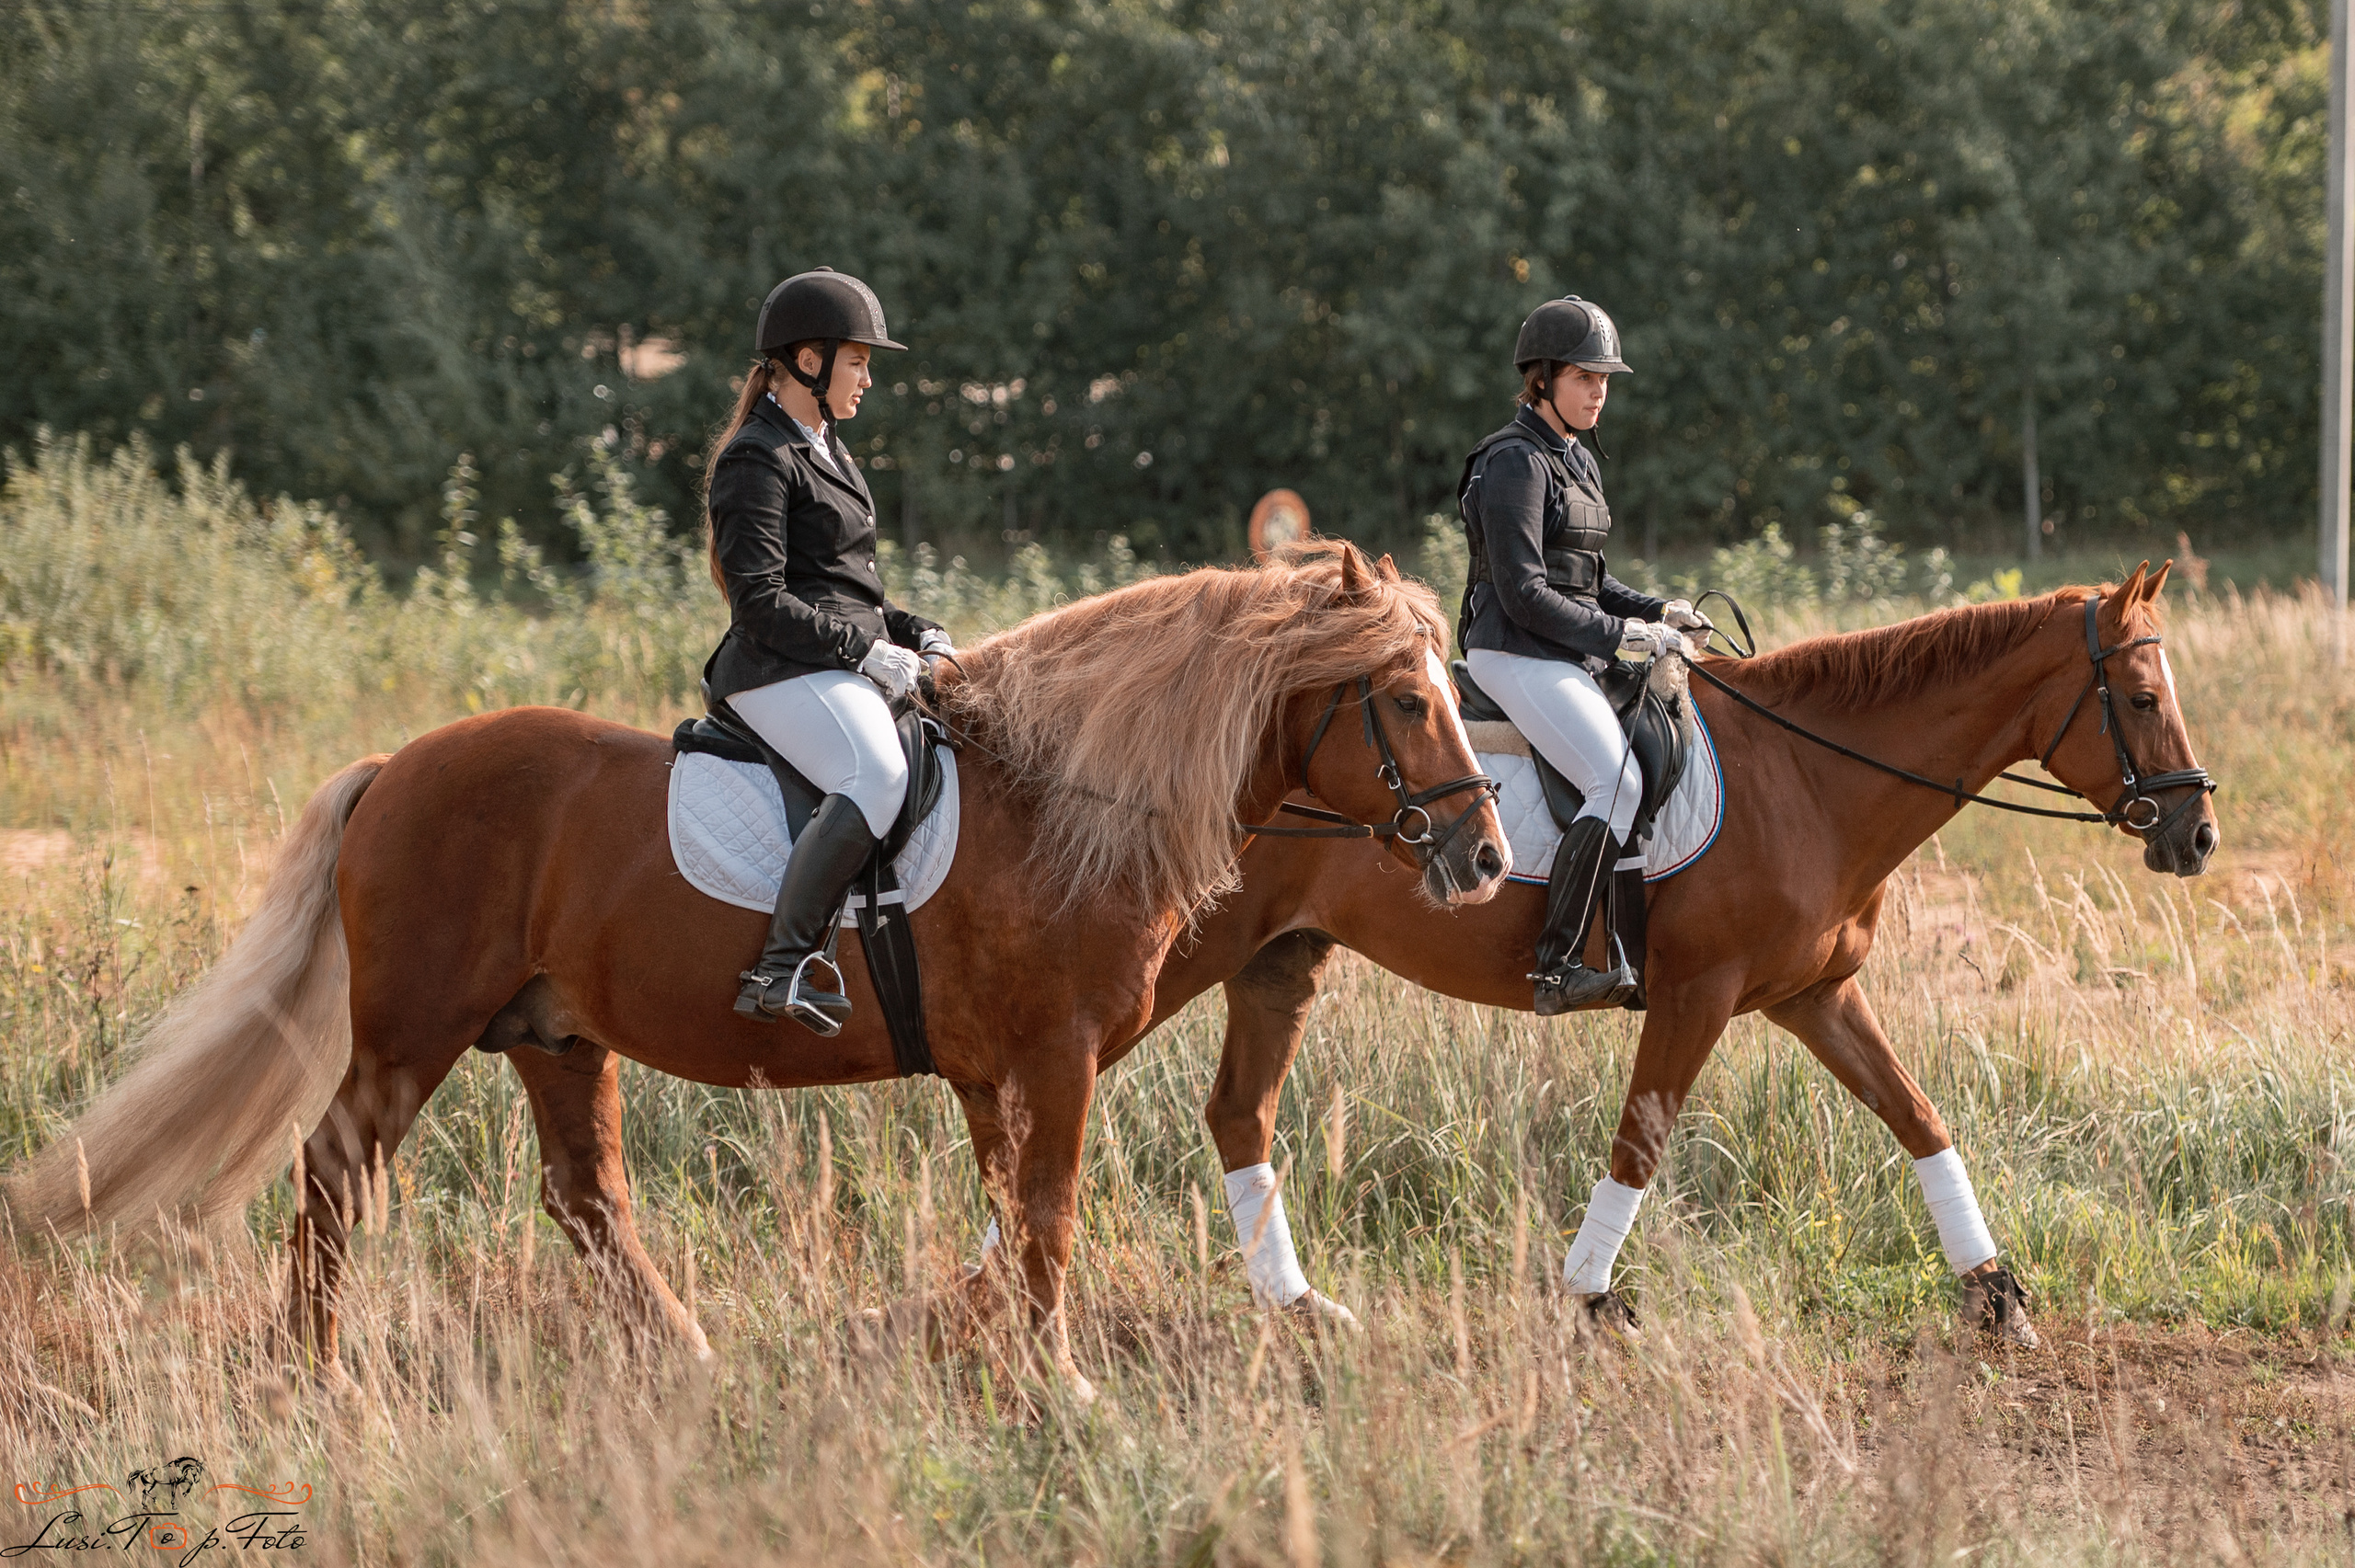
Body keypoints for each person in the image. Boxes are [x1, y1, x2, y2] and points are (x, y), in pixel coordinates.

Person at [702, 267, 954, 1033]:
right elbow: (761, 601)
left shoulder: (829, 452)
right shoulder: (759, 456)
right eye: (858, 361)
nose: (868, 378)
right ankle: (780, 968)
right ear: (808, 360)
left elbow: (853, 589)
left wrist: (915, 632)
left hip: (826, 658)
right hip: (773, 665)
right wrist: (865, 655)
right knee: (876, 772)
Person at [1454, 295, 1710, 1015]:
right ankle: (1556, 965)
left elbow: (1593, 582)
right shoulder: (1513, 463)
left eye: (1605, 379)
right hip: (1514, 652)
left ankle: (1628, 945)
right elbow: (1527, 593)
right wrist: (1623, 638)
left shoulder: (1575, 461)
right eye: (1584, 378)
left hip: (1565, 652)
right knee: (1615, 779)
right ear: (1541, 380)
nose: (1599, 392)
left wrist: (1658, 610)